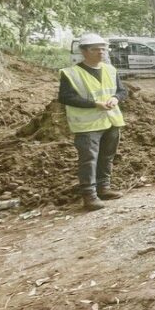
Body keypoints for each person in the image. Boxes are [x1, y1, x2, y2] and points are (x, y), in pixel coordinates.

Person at [58, 33, 126, 211]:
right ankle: (89, 196)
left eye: (103, 49)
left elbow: (122, 91)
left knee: (107, 156)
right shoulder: (71, 73)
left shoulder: (110, 70)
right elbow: (65, 97)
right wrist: (94, 104)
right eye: (96, 49)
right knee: (88, 160)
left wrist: (116, 98)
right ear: (84, 52)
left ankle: (104, 188)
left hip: (111, 121)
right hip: (87, 124)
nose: (101, 52)